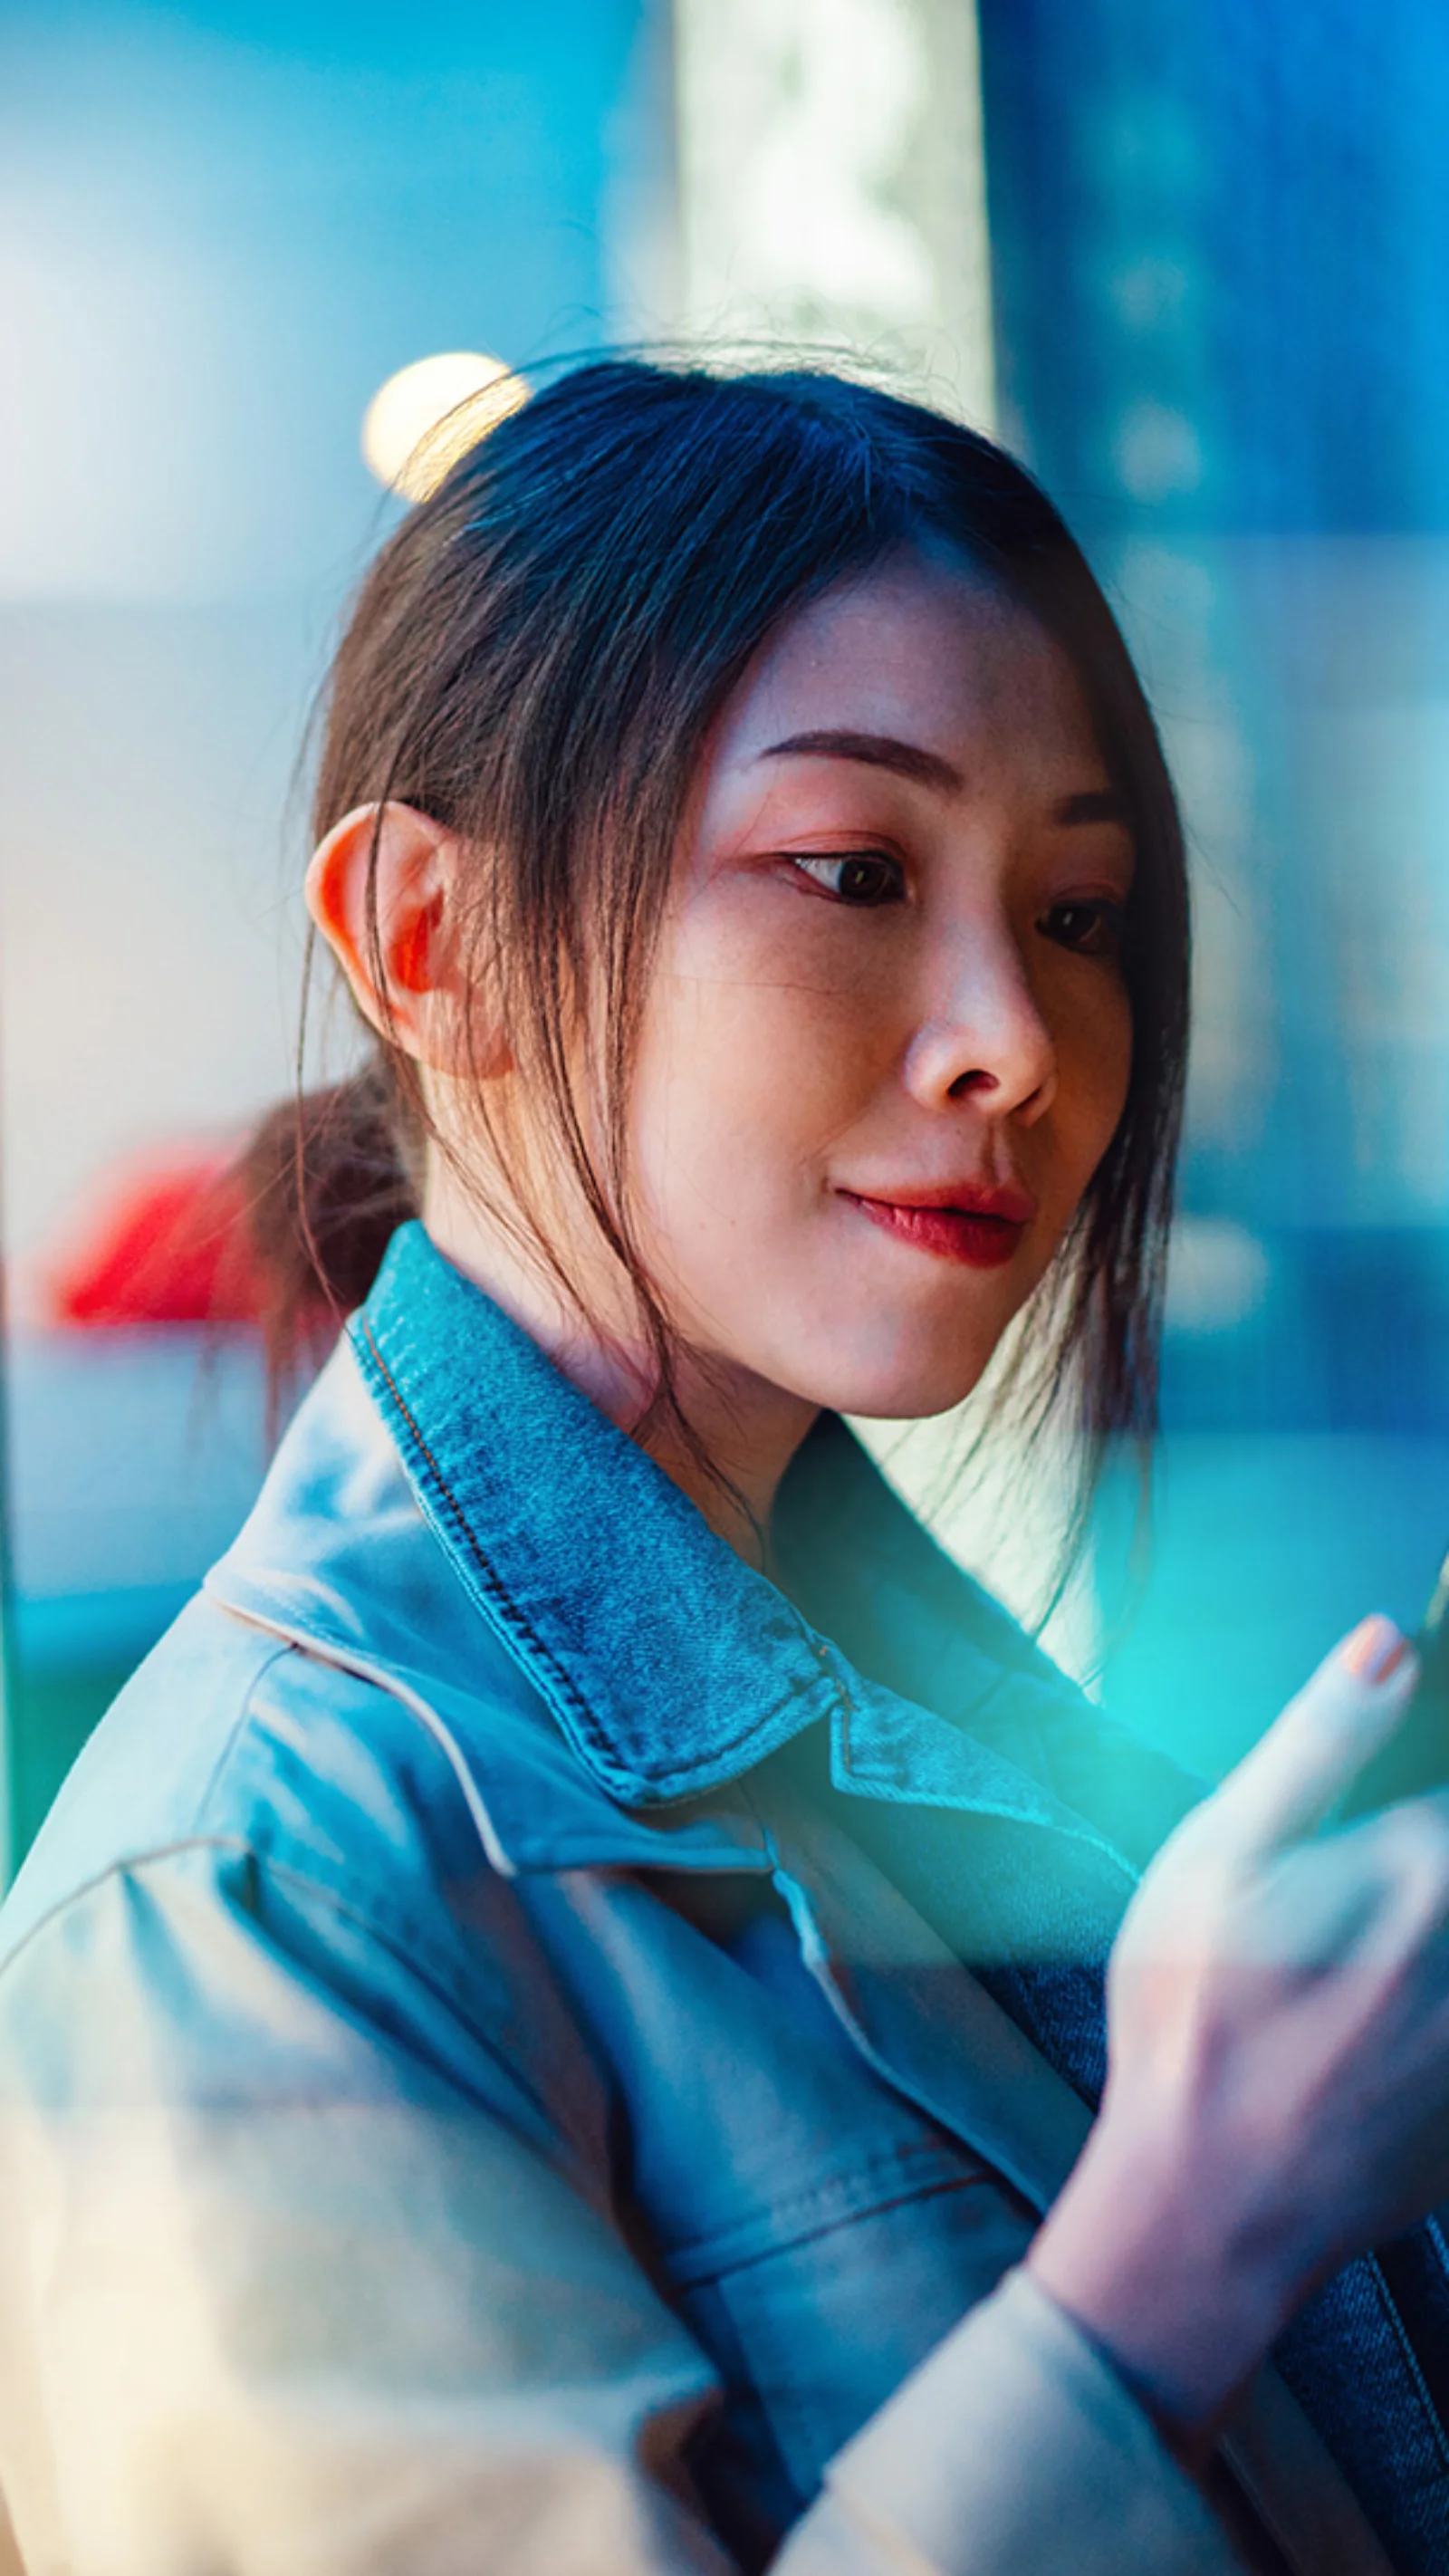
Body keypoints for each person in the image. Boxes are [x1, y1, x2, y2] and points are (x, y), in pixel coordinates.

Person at [1, 360, 1448, 2576]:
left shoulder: (927, 1731)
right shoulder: (245, 1904)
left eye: (1076, 912)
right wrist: (1182, 2241)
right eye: (851, 868)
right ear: (430, 943)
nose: (1017, 1039)